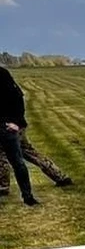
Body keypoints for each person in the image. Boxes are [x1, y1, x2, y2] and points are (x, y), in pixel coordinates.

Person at [0, 65, 38, 205]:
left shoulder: (2, 74)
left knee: (18, 162)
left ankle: (28, 196)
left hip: (6, 127)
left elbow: (18, 99)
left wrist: (16, 122)